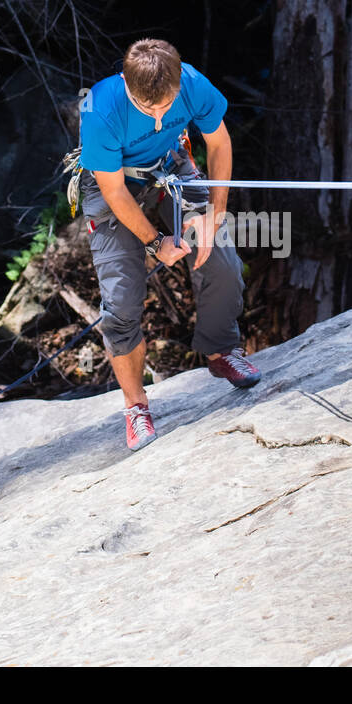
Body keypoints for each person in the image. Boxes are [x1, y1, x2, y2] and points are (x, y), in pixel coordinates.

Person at [78, 38, 261, 451]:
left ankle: (220, 351)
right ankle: (136, 406)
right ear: (128, 86)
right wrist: (155, 240)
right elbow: (114, 192)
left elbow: (219, 144)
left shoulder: (192, 82)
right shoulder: (100, 108)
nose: (160, 117)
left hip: (170, 169)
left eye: (167, 106)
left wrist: (214, 214)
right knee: (121, 304)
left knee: (222, 263)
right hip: (115, 188)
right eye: (148, 109)